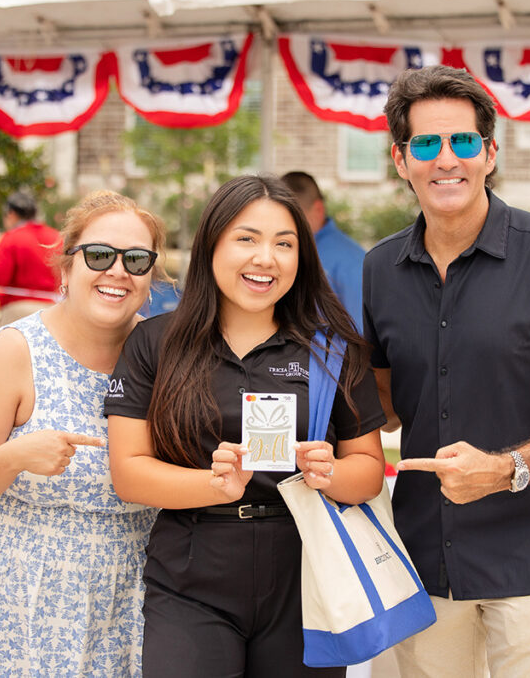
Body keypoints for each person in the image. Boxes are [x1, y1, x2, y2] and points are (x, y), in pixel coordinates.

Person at [363, 65, 530, 677]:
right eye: (425, 143)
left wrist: (505, 471)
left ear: (489, 153)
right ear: (401, 160)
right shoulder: (379, 269)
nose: (445, 158)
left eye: (462, 141)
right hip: (425, 553)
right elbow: (387, 404)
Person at [106, 175, 387, 678]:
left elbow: (367, 470)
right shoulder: (155, 344)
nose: (266, 258)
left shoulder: (332, 350)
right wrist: (211, 483)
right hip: (188, 575)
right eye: (247, 239)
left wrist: (329, 474)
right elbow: (128, 473)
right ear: (211, 243)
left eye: (285, 243)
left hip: (303, 577)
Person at [0, 190, 169, 677]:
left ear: (152, 275)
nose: (118, 271)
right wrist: (15, 456)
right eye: (100, 255)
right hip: (18, 606)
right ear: (66, 268)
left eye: (137, 259)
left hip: (124, 602)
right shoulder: (17, 352)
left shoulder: (162, 355)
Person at [281, 171, 365, 330]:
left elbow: (363, 333)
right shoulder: (277, 253)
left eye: (294, 217)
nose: (284, 225)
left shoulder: (352, 262)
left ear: (318, 209)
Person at [0, 191, 63, 326]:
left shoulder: (11, 238)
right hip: (55, 308)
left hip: (19, 311)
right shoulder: (56, 237)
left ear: (11, 214)